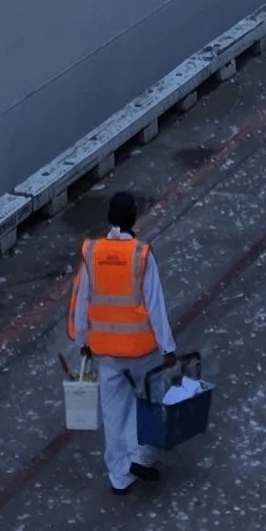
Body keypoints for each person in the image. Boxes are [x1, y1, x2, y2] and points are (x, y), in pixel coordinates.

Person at [65, 195, 175, 492]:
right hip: (142, 349)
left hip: (105, 351)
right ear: (134, 217)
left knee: (114, 411)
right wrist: (168, 347)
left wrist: (82, 339)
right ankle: (143, 455)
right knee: (151, 400)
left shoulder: (92, 252)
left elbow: (83, 299)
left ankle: (119, 476)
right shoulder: (141, 254)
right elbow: (155, 304)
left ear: (109, 216)